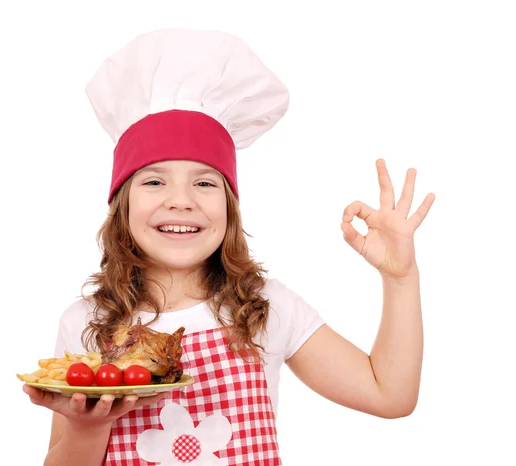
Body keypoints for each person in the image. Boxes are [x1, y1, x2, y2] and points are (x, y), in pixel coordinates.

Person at [22, 28, 436, 466]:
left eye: (204, 182)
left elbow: (389, 394)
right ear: (121, 206)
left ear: (229, 208)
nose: (181, 199)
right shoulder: (87, 323)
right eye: (154, 181)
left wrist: (400, 277)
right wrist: (90, 425)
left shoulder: (268, 307)